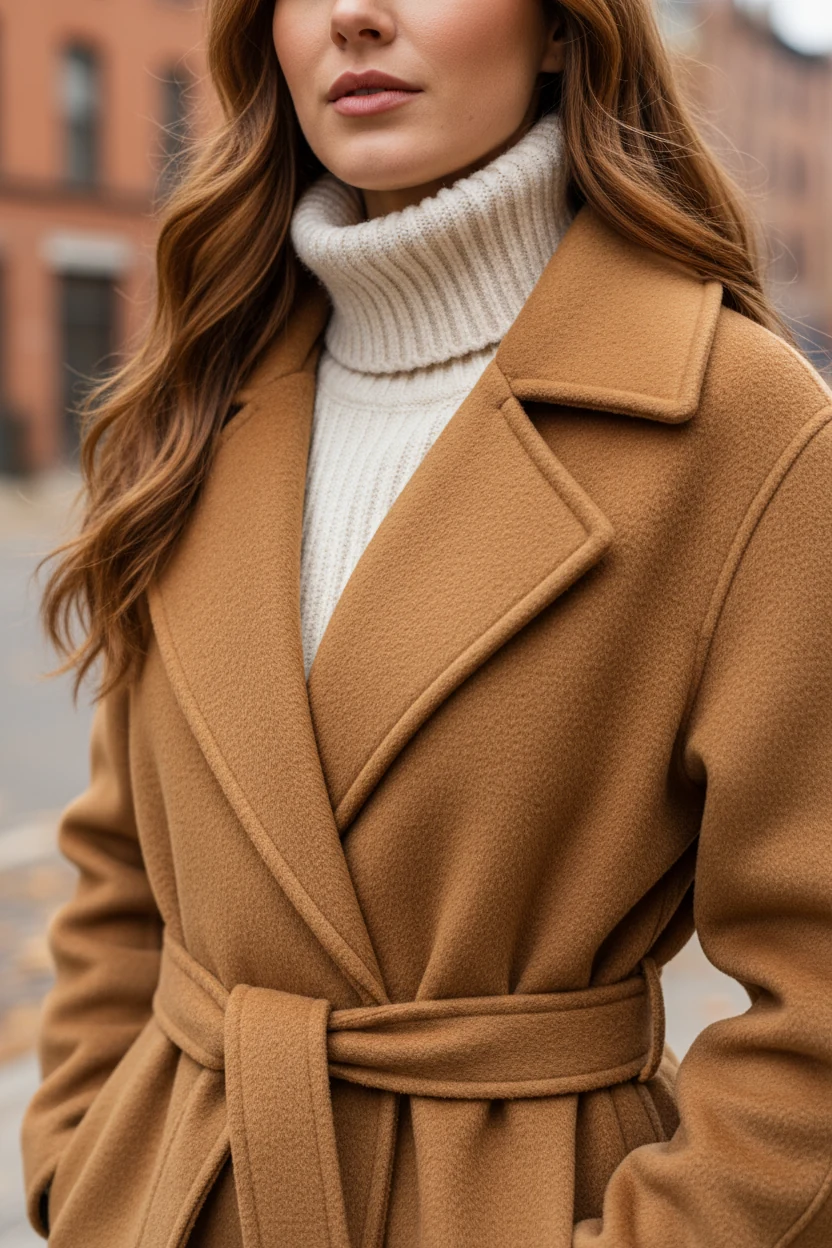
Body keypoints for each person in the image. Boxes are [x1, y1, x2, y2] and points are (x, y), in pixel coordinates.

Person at [19, 0, 832, 1244]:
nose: (354, 16)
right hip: (173, 1196)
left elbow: (813, 1005)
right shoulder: (195, 391)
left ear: (564, 30)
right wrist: (83, 1163)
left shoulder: (740, 427)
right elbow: (124, 868)